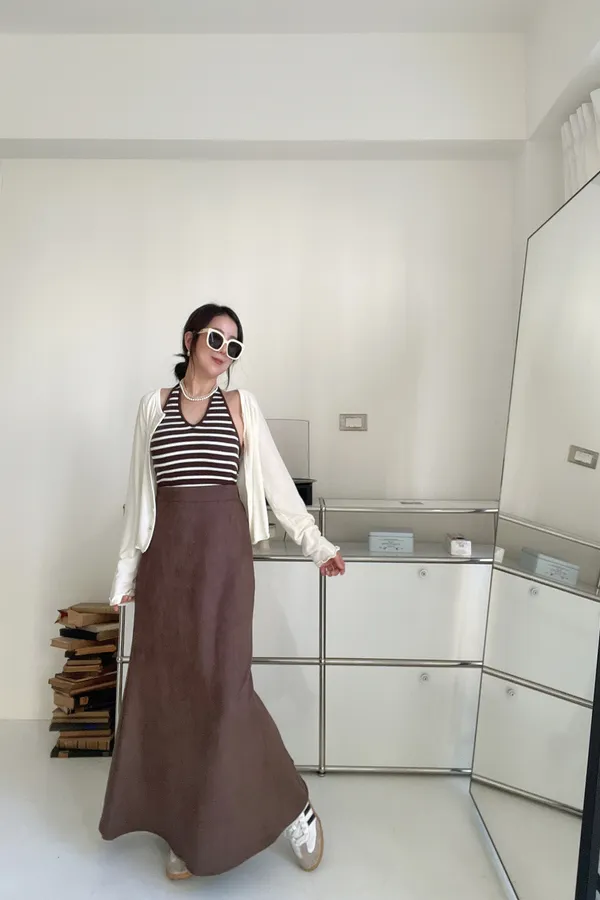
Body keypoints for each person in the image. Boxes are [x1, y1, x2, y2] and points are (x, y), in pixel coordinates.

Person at [99, 303, 346, 880]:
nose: (225, 351)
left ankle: (294, 806)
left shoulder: (240, 406)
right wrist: (125, 575)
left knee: (226, 692)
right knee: (174, 694)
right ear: (190, 339)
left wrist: (315, 544)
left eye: (234, 346)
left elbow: (278, 485)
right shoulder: (153, 406)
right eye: (216, 338)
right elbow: (140, 495)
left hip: (223, 566)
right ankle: (186, 827)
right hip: (166, 565)